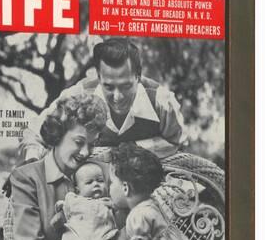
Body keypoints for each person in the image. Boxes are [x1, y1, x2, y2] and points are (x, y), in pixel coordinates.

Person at [10, 92, 157, 240]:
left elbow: (125, 219)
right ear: (57, 134)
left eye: (92, 143)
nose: (86, 152)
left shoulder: (104, 172)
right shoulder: (27, 178)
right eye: (79, 142)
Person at [19, 38, 186, 162]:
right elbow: (34, 132)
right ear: (98, 77)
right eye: (108, 87)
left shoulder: (161, 101)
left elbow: (178, 144)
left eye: (126, 86)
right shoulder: (80, 94)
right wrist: (32, 163)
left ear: (138, 76)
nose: (118, 97)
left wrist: (126, 151)